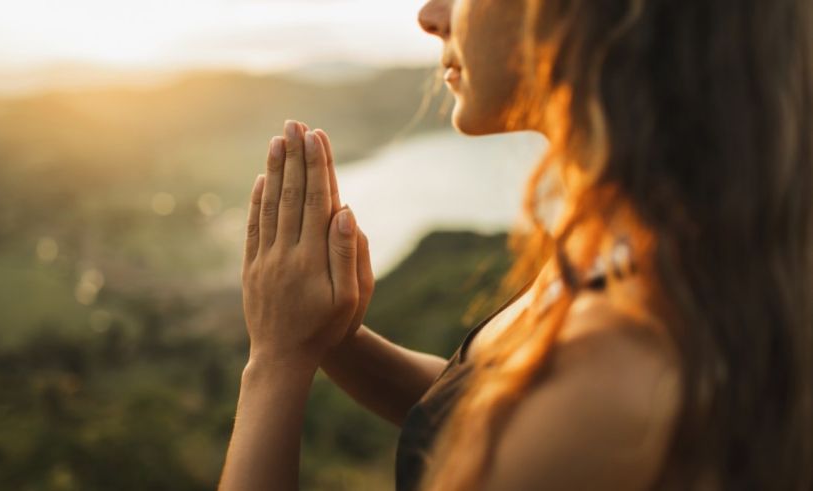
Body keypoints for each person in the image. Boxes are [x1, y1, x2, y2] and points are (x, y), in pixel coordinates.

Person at [219, 0, 813, 489]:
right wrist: (330, 339)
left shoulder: (605, 383)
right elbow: (473, 407)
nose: (430, 14)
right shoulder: (645, 246)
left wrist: (274, 363)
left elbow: (539, 424)